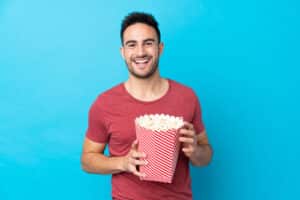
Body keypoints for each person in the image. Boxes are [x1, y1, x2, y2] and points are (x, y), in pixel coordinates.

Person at [81, 11, 213, 200]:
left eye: (148, 43)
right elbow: (87, 160)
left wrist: (195, 150)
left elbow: (205, 157)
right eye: (132, 45)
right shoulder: (105, 104)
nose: (141, 52)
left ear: (160, 48)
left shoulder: (187, 97)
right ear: (123, 52)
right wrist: (124, 163)